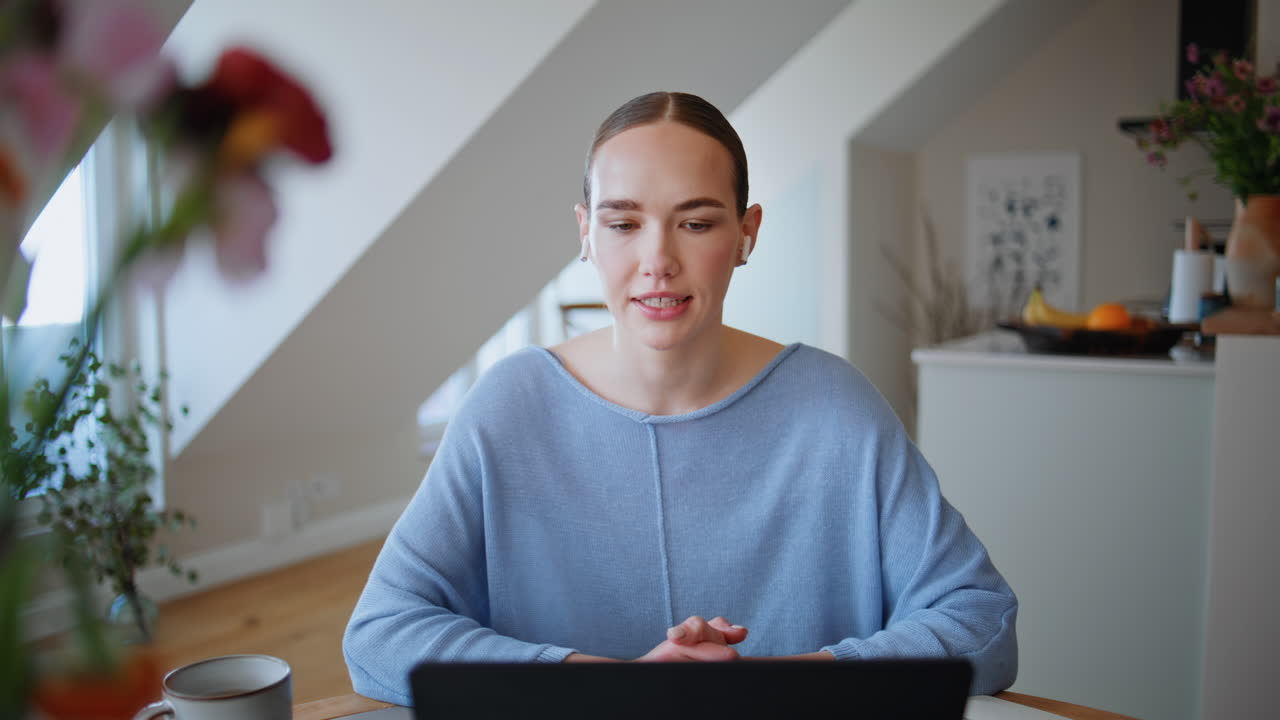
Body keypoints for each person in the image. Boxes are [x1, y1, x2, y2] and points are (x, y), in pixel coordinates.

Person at [343, 91, 1017, 705]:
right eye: (622, 223)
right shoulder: (507, 407)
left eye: (695, 223)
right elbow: (380, 634)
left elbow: (981, 620)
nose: (657, 260)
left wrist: (778, 686)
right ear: (585, 233)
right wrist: (613, 688)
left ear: (746, 233)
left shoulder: (837, 406)